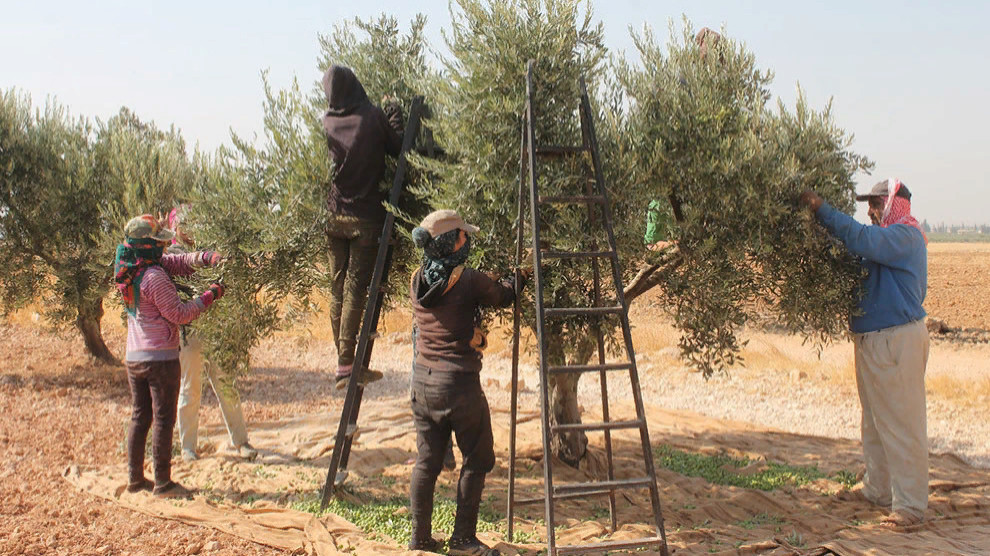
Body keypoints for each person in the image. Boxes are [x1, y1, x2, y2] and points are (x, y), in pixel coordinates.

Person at [800, 179, 929, 528]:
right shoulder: (881, 242)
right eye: (868, 204)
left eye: (875, 204)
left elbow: (861, 238)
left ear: (893, 203)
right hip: (873, 342)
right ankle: (878, 491)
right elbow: (854, 247)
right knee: (874, 423)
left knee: (903, 424)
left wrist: (821, 209)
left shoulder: (903, 236)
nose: (870, 211)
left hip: (896, 341)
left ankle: (911, 507)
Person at [407, 210, 516, 556]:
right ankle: (463, 540)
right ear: (451, 242)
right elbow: (502, 296)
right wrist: (520, 278)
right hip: (459, 387)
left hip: (422, 383)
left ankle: (420, 539)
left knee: (427, 461)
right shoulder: (467, 279)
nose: (467, 241)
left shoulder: (416, 278)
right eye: (463, 236)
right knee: (478, 459)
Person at [114, 214, 225, 498]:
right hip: (160, 360)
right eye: (158, 243)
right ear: (147, 246)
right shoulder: (154, 277)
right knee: (163, 419)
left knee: (140, 417)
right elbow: (180, 314)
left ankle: (135, 480)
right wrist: (211, 295)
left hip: (135, 357)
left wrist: (204, 257)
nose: (164, 247)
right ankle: (163, 483)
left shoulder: (130, 269)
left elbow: (175, 262)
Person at [321, 64, 404, 390]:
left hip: (333, 216)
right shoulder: (371, 116)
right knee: (355, 290)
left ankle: (343, 361)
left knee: (337, 289)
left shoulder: (328, 121)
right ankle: (346, 365)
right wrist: (393, 109)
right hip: (365, 217)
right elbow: (398, 146)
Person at [166, 206, 257, 461]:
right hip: (190, 332)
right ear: (176, 228)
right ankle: (187, 448)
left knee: (226, 384)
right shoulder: (173, 255)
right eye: (185, 224)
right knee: (190, 389)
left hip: (215, 330)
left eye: (194, 223)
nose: (190, 229)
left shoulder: (210, 251)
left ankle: (241, 442)